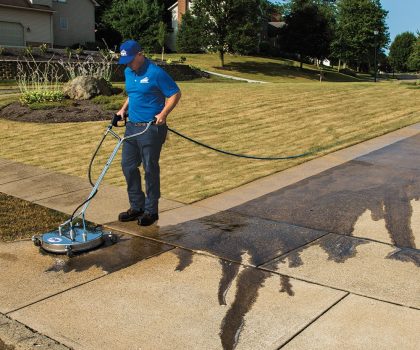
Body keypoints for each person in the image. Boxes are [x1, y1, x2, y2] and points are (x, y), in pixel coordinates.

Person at [116, 40, 181, 226]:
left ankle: (151, 211)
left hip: (151, 128)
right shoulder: (129, 71)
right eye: (125, 61)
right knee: (127, 166)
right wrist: (122, 110)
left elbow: (175, 93)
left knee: (150, 169)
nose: (128, 64)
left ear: (140, 54)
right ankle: (137, 206)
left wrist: (163, 113)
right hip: (132, 127)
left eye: (130, 59)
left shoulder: (155, 72)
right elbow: (133, 93)